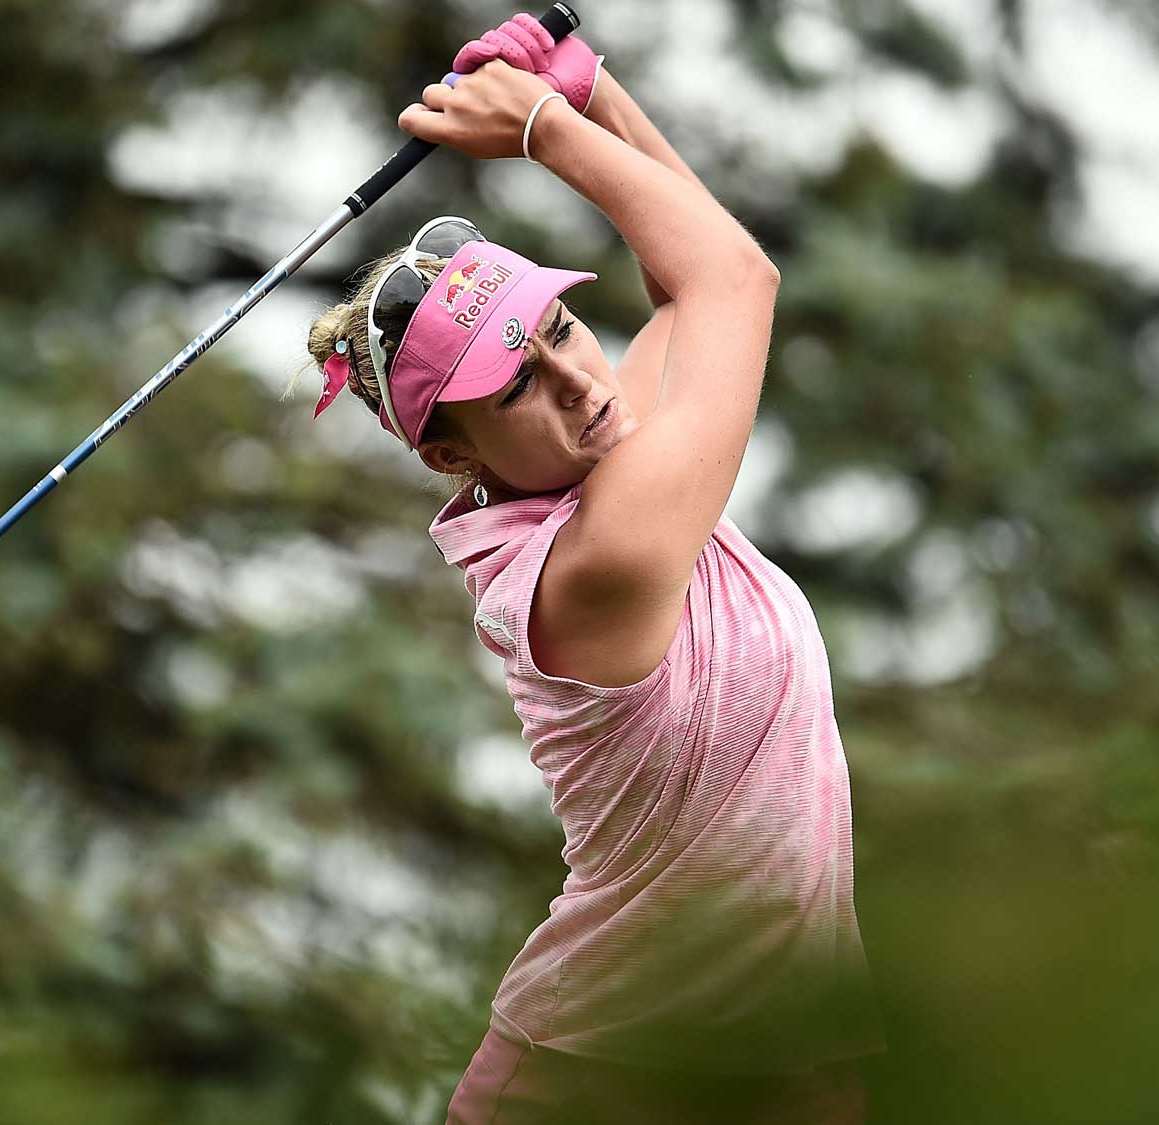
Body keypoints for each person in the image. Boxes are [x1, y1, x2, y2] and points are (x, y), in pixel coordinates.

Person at [303, 15, 887, 1123]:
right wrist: (539, 128)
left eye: (561, 328)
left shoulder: (608, 463)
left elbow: (682, 285)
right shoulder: (594, 562)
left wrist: (588, 90)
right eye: (516, 384)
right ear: (450, 453)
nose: (577, 382)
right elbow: (735, 280)